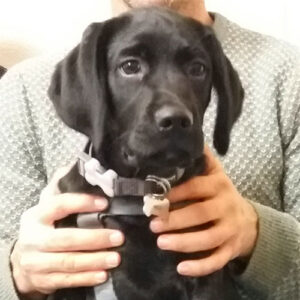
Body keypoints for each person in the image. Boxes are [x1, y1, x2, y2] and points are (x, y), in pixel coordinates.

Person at [0, 0, 299, 299]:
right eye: (131, 66)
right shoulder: (23, 92)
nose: (174, 110)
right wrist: (16, 275)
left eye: (196, 69)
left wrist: (257, 236)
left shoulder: (289, 75)